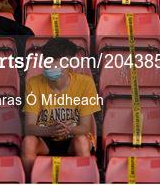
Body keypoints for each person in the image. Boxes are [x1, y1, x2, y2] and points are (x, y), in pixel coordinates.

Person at [22, 37, 101, 180]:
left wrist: (68, 129)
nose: (49, 64)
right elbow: (29, 127)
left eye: (54, 60)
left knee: (82, 142)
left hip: (72, 138)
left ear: (68, 63)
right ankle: (28, 180)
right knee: (28, 142)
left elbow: (85, 127)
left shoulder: (85, 83)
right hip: (45, 138)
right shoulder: (33, 83)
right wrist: (51, 130)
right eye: (46, 60)